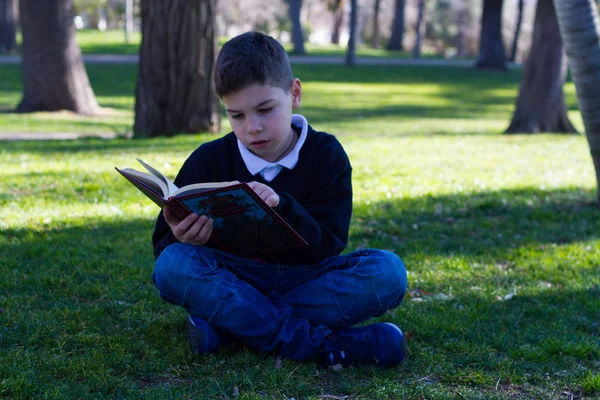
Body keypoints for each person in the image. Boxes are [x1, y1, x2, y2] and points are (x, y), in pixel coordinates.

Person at [151, 31, 408, 368]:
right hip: (234, 277)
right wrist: (178, 236)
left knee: (388, 272)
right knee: (173, 266)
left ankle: (233, 327)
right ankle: (320, 345)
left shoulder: (325, 153)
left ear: (295, 93)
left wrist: (282, 206)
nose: (252, 127)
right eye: (237, 115)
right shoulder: (208, 159)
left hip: (308, 278)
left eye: (265, 109)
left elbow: (329, 243)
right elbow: (164, 249)